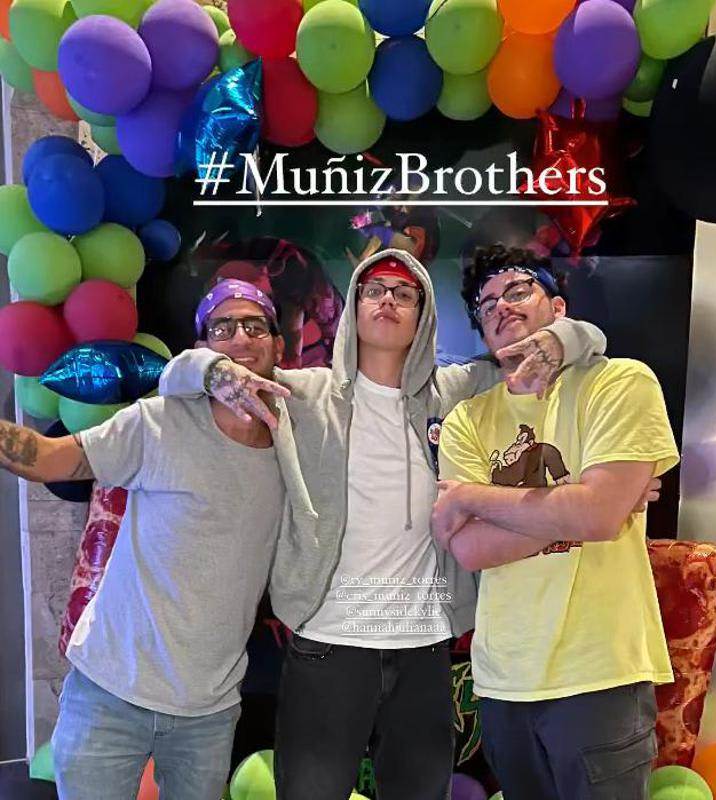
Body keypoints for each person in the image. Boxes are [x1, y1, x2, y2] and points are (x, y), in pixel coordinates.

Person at [159, 248, 609, 800]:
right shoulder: (303, 393)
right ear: (353, 306)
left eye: (404, 292)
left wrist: (562, 339)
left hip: (424, 646)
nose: (388, 300)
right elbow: (175, 376)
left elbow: (581, 343)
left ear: (423, 313)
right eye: (374, 290)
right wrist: (209, 369)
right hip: (327, 644)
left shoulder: (455, 391)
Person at [0, 280, 288, 800]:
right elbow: (48, 458)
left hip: (209, 709)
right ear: (204, 349)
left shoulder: (296, 444)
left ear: (279, 345)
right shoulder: (157, 424)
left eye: (255, 326)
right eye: (222, 328)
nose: (240, 337)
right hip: (108, 692)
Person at [432, 244, 678, 800]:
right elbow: (470, 549)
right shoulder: (467, 419)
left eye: (518, 291)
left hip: (600, 672)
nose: (500, 306)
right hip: (504, 680)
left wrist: (472, 496)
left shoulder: (619, 383)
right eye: (486, 304)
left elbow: (598, 514)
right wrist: (586, 507)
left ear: (559, 307)